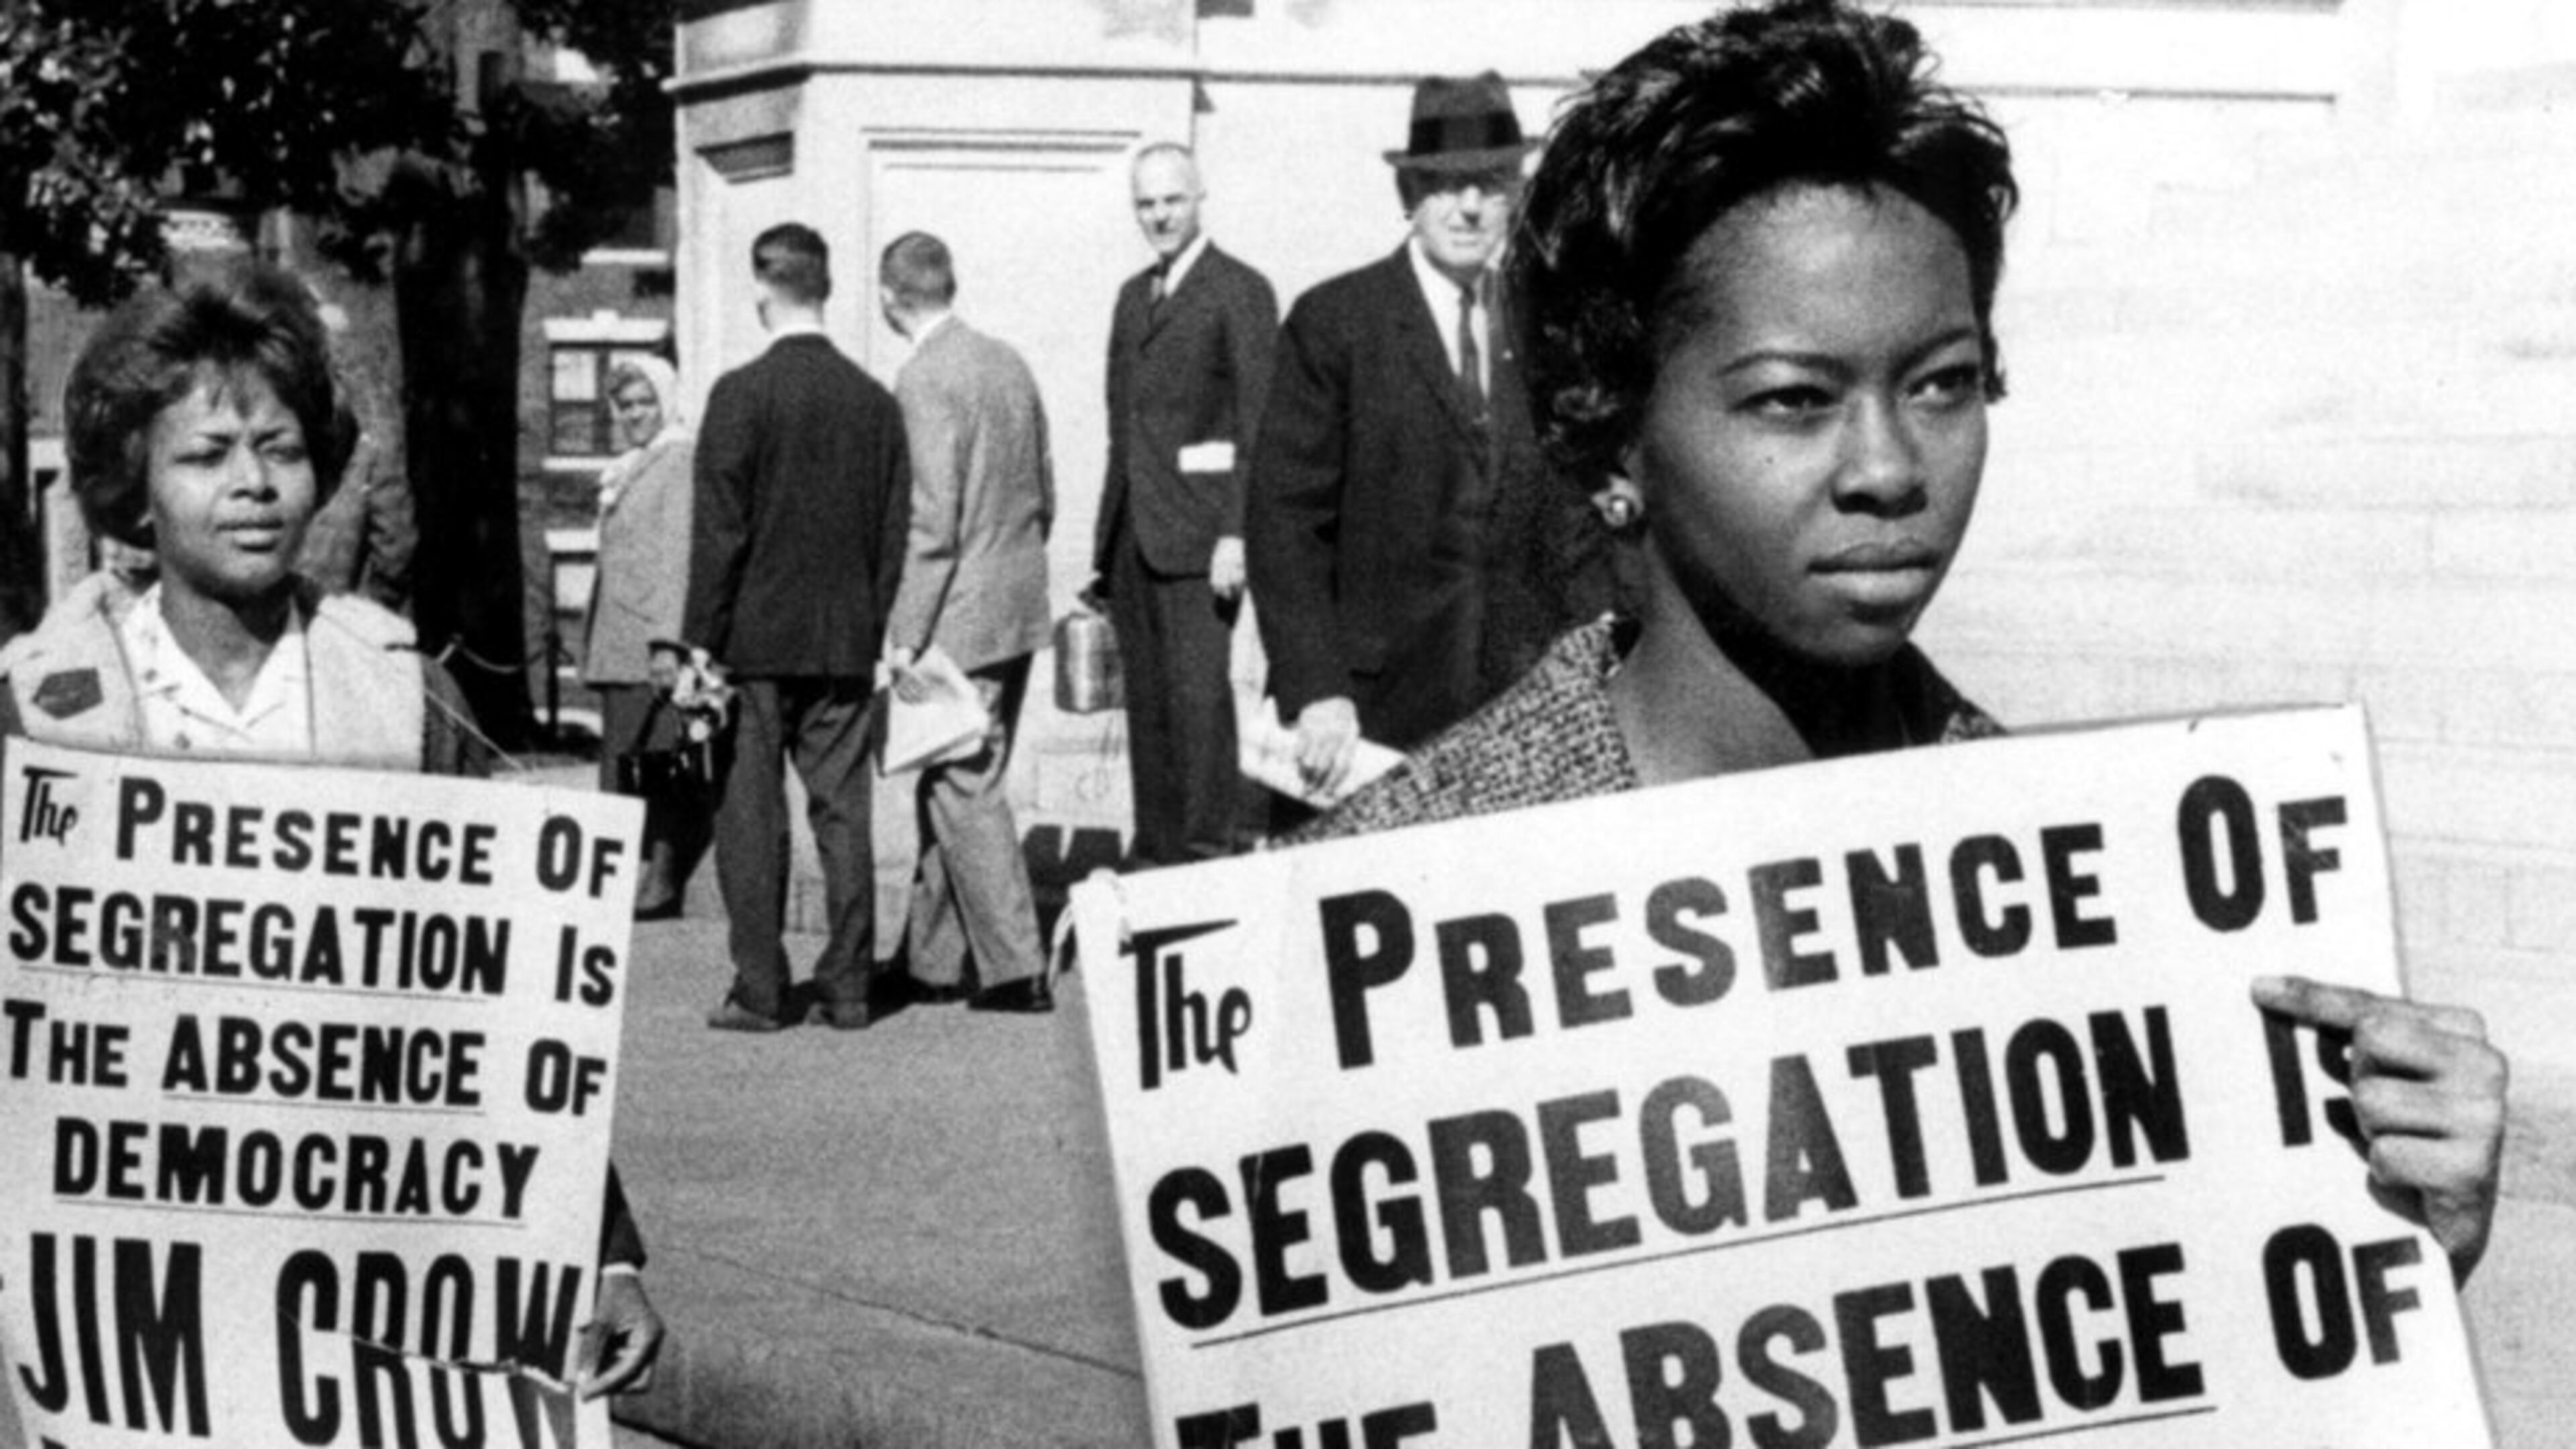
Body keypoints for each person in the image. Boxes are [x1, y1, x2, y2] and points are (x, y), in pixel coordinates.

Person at [1300, 0, 2509, 1283]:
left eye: (1943, 383)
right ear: (1612, 443)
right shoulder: (1382, 913)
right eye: (1793, 401)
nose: (1888, 468)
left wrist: (2401, 1247)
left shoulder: (2130, 918)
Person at [0, 262, 664, 1389]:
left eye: (282, 449)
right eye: (207, 456)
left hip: (367, 1273)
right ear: (133, 487)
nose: (252, 485)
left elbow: (513, 1000)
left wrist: (598, 1257)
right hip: (122, 1278)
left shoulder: (407, 695)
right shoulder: (42, 707)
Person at [1247, 70, 1610, 812]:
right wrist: (1317, 690)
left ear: (1517, 193)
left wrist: (1598, 632)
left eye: (1491, 182)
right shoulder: (1337, 323)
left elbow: (1571, 506)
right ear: (1410, 195)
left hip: (1518, 708)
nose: (1471, 206)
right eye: (1447, 185)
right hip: (1370, 718)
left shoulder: (1540, 325)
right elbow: (1286, 522)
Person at [672, 222, 912, 1032]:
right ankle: (848, 987)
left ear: (762, 287)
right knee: (844, 815)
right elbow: (892, 532)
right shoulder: (875, 403)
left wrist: (697, 642)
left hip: (753, 643)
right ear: (829, 287)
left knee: (752, 816)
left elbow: (721, 534)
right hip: (844, 640)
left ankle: (761, 988)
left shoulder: (739, 396)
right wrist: (873, 630)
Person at [877, 233, 1056, 1014]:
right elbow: (1043, 491)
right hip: (1016, 603)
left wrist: (905, 629)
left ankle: (1016, 968)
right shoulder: (1007, 361)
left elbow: (931, 520)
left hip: (958, 612)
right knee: (957, 775)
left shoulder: (922, 377)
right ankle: (931, 959)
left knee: (961, 781)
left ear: (891, 297)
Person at [1093, 142, 1279, 865]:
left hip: (1203, 541)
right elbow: (1122, 429)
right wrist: (1103, 550)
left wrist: (1237, 535)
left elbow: (1258, 424)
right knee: (1149, 715)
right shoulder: (1132, 297)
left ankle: (1205, 857)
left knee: (1202, 711)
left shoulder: (1240, 290)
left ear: (1200, 196)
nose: (1159, 215)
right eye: (1145, 204)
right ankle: (1156, 858)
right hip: (1134, 544)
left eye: (1171, 200)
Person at [584, 355, 712, 920]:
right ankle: (624, 876)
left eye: (645, 403)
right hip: (617, 640)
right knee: (627, 763)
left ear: (666, 402)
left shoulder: (678, 460)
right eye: (625, 405)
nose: (634, 415)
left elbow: (678, 553)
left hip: (646, 641)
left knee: (657, 763)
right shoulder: (632, 465)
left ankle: (660, 881)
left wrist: (667, 641)